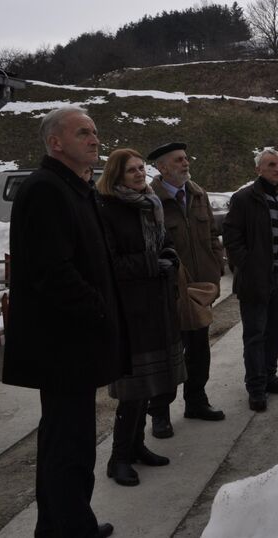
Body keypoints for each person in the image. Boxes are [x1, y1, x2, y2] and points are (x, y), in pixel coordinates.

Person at [1, 106, 121, 538]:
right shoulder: (47, 189)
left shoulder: (75, 188)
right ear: (56, 143)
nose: (94, 139)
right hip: (63, 345)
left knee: (67, 442)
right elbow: (52, 271)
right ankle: (69, 529)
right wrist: (99, 309)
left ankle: (61, 525)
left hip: (74, 342)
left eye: (94, 131)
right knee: (68, 447)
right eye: (83, 132)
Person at [97, 149, 186, 486]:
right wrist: (153, 265)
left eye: (141, 169)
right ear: (116, 175)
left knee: (150, 385)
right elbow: (111, 264)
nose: (138, 174)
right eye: (131, 170)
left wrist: (169, 257)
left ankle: (137, 447)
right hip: (130, 309)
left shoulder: (150, 204)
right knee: (133, 388)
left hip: (156, 303)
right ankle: (118, 458)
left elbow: (164, 243)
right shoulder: (107, 208)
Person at [145, 142, 226, 437]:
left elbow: (213, 234)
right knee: (168, 353)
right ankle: (160, 413)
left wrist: (216, 266)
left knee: (199, 350)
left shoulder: (197, 193)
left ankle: (196, 401)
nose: (185, 163)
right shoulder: (151, 200)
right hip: (168, 291)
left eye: (186, 158)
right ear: (162, 167)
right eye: (178, 160)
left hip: (200, 288)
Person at [223, 148, 278, 412]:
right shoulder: (244, 198)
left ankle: (269, 375)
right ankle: (256, 387)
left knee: (277, 332)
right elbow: (231, 237)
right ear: (258, 169)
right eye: (271, 164)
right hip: (255, 279)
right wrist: (247, 265)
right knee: (255, 335)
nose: (277, 169)